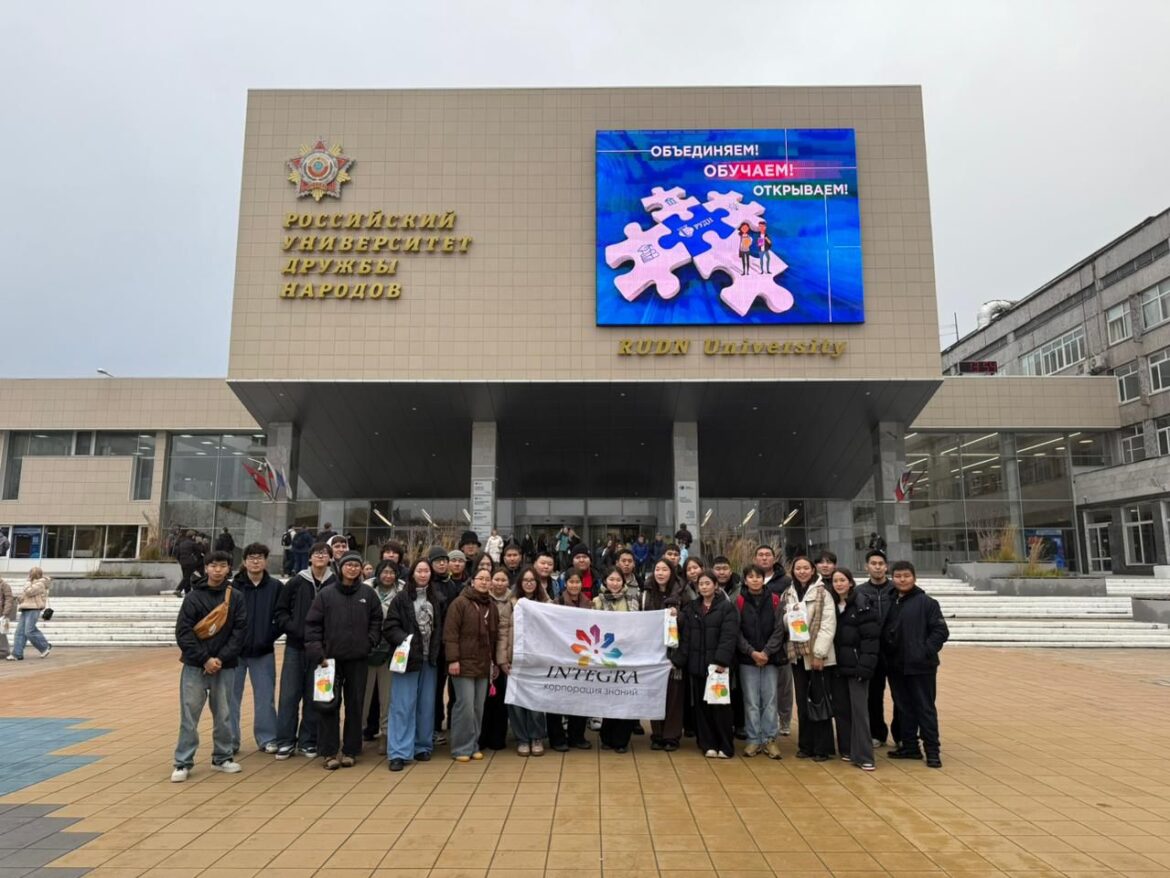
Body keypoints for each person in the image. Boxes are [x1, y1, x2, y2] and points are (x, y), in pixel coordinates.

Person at [304, 550, 383, 770]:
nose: (352, 569)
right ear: (341, 568)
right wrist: (318, 653)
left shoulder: (368, 594)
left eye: (356, 565)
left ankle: (351, 750)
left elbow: (377, 620)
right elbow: (312, 625)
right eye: (348, 565)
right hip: (328, 661)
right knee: (328, 706)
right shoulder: (326, 594)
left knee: (355, 705)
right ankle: (329, 752)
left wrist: (370, 641)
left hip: (358, 659)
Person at [171, 551, 246, 782]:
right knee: (189, 715)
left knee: (224, 713)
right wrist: (205, 659)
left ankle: (222, 757)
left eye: (222, 565)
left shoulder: (236, 597)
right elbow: (183, 632)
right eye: (213, 565)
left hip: (225, 665)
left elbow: (239, 632)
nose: (217, 570)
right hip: (195, 665)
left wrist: (220, 658)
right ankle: (183, 762)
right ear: (205, 568)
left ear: (229, 568)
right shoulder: (193, 597)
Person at [273, 542, 337, 759]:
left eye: (324, 553)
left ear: (330, 558)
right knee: (289, 695)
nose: (320, 556)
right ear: (309, 558)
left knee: (314, 695)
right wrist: (293, 628)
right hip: (296, 646)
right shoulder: (296, 582)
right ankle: (285, 741)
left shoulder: (334, 582)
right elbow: (281, 610)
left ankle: (308, 740)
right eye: (316, 553)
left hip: (321, 650)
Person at [883, 560, 949, 768]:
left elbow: (940, 632)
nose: (902, 580)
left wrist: (924, 651)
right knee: (903, 708)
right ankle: (910, 747)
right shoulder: (889, 601)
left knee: (925, 709)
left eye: (906, 576)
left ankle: (932, 751)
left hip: (920, 667)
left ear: (914, 577)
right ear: (892, 578)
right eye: (898, 576)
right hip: (896, 666)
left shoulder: (927, 603)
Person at [384, 559, 442, 771]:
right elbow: (390, 626)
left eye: (427, 571)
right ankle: (398, 752)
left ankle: (422, 746)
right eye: (420, 570)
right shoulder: (401, 598)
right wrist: (405, 639)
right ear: (412, 574)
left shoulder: (436, 598)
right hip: (407, 660)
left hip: (429, 660)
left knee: (426, 705)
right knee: (402, 705)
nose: (423, 574)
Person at [678, 567, 739, 759]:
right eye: (701, 584)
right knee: (702, 707)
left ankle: (725, 746)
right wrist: (680, 660)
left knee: (720, 707)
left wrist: (721, 660)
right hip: (697, 666)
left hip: (717, 668)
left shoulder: (726, 607)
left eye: (707, 583)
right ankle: (707, 744)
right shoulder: (692, 608)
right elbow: (686, 637)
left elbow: (729, 636)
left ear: (716, 585)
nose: (704, 587)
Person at [780, 556, 837, 761]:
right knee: (803, 703)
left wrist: (819, 654)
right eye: (798, 568)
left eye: (806, 568)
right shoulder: (789, 593)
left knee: (819, 701)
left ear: (813, 570)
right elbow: (783, 621)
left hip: (818, 657)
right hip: (797, 656)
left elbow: (828, 625)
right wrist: (791, 616)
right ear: (793, 571)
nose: (802, 571)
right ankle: (806, 745)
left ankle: (823, 748)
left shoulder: (823, 593)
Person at [228, 544, 281, 756]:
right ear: (244, 561)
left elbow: (282, 615)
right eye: (251, 558)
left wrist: (269, 635)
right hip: (235, 652)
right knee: (230, 697)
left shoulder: (275, 587)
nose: (256, 561)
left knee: (265, 697)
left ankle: (267, 738)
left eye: (260, 557)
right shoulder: (233, 587)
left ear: (266, 561)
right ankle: (230, 740)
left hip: (263, 650)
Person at [443, 566, 500, 762]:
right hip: (462, 664)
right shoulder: (460, 603)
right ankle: (460, 748)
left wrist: (494, 663)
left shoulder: (491, 606)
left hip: (483, 664)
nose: (484, 582)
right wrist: (453, 660)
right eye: (480, 578)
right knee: (464, 707)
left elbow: (494, 638)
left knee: (478, 708)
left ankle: (473, 745)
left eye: (487, 579)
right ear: (472, 581)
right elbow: (450, 634)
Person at [828, 568, 880, 771]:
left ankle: (865, 756)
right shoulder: (832, 605)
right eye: (835, 581)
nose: (839, 584)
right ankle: (848, 750)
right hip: (837, 666)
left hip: (857, 667)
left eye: (842, 580)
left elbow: (870, 639)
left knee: (860, 713)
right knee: (842, 710)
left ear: (850, 582)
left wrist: (865, 667)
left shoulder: (862, 604)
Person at [735, 564, 786, 759]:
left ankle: (770, 739)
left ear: (764, 579)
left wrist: (766, 652)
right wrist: (751, 652)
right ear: (745, 580)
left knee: (770, 700)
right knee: (751, 701)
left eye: (758, 577)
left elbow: (779, 629)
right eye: (751, 577)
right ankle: (753, 739)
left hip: (770, 659)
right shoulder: (739, 601)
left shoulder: (775, 600)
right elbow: (736, 631)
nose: (755, 580)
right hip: (747, 660)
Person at [641, 558, 689, 751]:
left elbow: (691, 620)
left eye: (664, 569)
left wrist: (679, 616)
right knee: (655, 693)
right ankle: (657, 734)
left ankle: (672, 736)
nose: (660, 573)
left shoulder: (683, 593)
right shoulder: (646, 593)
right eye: (657, 569)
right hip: (652, 651)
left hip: (675, 650)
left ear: (672, 572)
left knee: (674, 695)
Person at [502, 565, 550, 756]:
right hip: (515, 660)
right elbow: (503, 632)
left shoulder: (547, 604)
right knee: (516, 703)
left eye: (532, 580)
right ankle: (522, 739)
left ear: (537, 583)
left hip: (538, 661)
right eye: (525, 580)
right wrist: (502, 659)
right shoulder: (511, 604)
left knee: (536, 703)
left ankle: (536, 737)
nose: (529, 584)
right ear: (520, 583)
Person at [592, 567, 639, 752]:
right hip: (606, 654)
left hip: (629, 653)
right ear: (605, 581)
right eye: (611, 579)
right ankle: (606, 736)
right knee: (609, 697)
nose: (615, 583)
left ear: (623, 582)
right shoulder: (597, 601)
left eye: (618, 580)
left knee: (626, 697)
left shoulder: (633, 600)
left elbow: (639, 625)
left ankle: (621, 740)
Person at [546, 569, 592, 752]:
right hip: (560, 656)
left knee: (580, 696)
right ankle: (557, 738)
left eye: (577, 582)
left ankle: (577, 736)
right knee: (557, 697)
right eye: (571, 582)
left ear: (582, 584)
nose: (574, 585)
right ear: (565, 584)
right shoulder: (556, 603)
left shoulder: (589, 604)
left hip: (581, 656)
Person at [858, 549, 899, 748]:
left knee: (900, 695)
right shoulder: (860, 592)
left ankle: (901, 734)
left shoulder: (896, 589)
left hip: (895, 651)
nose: (877, 567)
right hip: (872, 651)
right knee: (873, 695)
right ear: (867, 566)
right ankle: (877, 733)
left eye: (881, 564)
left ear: (886, 566)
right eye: (873, 563)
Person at [363, 561, 403, 754]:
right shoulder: (365, 590)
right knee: (363, 696)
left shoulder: (401, 591)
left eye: (392, 572)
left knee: (387, 698)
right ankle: (357, 733)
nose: (388, 576)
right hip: (366, 650)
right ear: (378, 573)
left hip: (389, 651)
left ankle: (385, 734)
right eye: (384, 572)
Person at [756, 544, 793, 737]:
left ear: (774, 558)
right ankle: (765, 719)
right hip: (758, 641)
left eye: (767, 555)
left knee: (783, 684)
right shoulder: (750, 578)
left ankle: (785, 719)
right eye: (760, 555)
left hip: (781, 639)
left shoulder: (786, 581)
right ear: (755, 559)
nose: (764, 558)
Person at [429, 546, 462, 744]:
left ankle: (452, 725)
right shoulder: (428, 584)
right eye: (437, 561)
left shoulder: (451, 585)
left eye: (444, 560)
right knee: (434, 689)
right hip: (433, 646)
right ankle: (433, 727)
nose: (442, 563)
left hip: (450, 644)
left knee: (454, 688)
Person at [479, 568, 514, 751]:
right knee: (485, 699)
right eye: (496, 579)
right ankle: (482, 737)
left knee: (500, 699)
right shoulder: (483, 598)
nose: (499, 583)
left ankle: (498, 738)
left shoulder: (514, 601)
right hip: (484, 654)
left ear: (508, 582)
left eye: (503, 580)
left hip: (503, 655)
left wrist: (502, 659)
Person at [10, 567, 52, 660]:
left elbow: (29, 592)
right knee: (19, 632)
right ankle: (17, 654)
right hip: (25, 608)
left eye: (31, 573)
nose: (30, 575)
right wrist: (19, 598)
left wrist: (28, 582)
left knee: (29, 631)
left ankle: (45, 646)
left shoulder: (41, 583)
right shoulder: (31, 584)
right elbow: (26, 595)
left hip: (34, 609)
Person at [174, 530, 203, 597]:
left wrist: (180, 560)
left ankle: (188, 592)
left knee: (186, 577)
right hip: (190, 562)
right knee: (187, 577)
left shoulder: (182, 543)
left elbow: (178, 554)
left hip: (182, 562)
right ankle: (178, 589)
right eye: (194, 536)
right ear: (193, 536)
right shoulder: (193, 544)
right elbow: (199, 552)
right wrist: (195, 559)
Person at [0, 574, 15, 660]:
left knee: (1, 632)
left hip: (1, 612)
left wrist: (5, 612)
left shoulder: (4, 585)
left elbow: (9, 599)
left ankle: (4, 651)